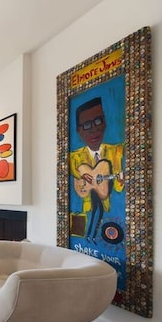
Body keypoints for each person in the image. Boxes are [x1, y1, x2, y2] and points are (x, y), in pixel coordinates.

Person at [70, 97, 124, 241]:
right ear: (78, 130)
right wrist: (82, 176)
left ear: (105, 122)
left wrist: (121, 179)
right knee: (96, 207)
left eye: (99, 121)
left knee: (98, 207)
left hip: (109, 207)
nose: (94, 128)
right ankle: (90, 235)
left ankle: (92, 235)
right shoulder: (74, 157)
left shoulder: (117, 152)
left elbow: (118, 187)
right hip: (83, 205)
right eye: (87, 125)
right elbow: (72, 171)